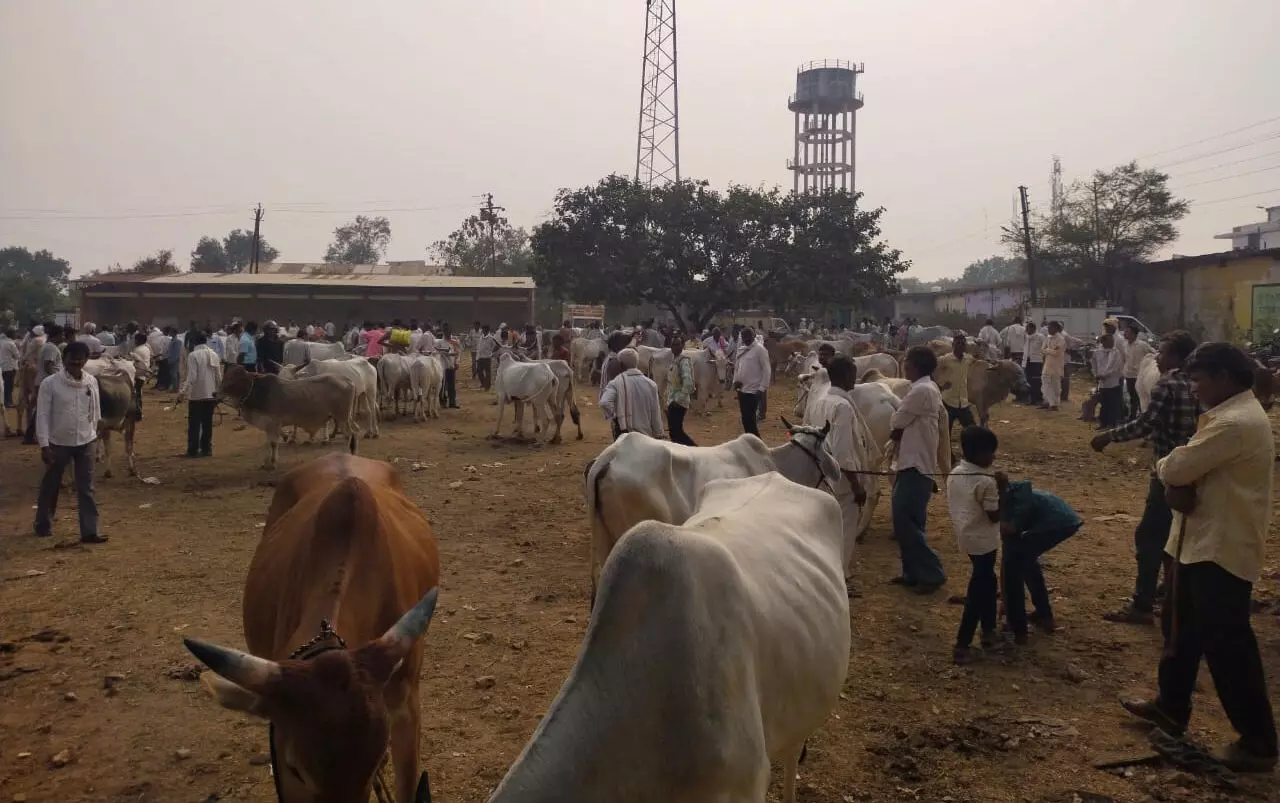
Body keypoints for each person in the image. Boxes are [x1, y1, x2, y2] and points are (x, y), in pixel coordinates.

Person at [1122, 342, 1278, 772]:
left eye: (1198, 380)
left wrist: (1170, 474)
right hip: (1196, 542)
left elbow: (1174, 468)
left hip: (1220, 549)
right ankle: (1170, 708)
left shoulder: (1233, 423)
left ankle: (1258, 741)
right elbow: (1183, 469)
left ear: (1223, 377)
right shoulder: (1229, 416)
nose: (1193, 389)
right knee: (1179, 630)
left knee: (1228, 647)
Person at [1093, 330, 1199, 625]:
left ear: (1177, 357)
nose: (1158, 357)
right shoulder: (1199, 385)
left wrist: (1107, 437)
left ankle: (1142, 604)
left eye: (1163, 352)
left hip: (1167, 472)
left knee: (1150, 535)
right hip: (1196, 472)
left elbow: (1145, 423)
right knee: (1176, 535)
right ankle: (1171, 592)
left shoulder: (1168, 385)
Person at [33, 341, 106, 544]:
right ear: (64, 359)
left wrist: (97, 441)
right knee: (51, 485)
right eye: (72, 358)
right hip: (58, 442)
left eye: (80, 358)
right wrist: (44, 445)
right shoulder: (50, 384)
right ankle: (43, 523)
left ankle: (90, 531)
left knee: (86, 487)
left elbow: (96, 412)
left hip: (86, 440)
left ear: (85, 360)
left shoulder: (91, 381)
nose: (76, 362)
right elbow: (43, 415)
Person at [889, 346, 948, 592]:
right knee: (911, 520)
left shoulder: (921, 391)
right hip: (914, 461)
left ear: (915, 366)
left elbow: (897, 421)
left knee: (905, 521)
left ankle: (931, 573)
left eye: (907, 363)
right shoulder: (927, 388)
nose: (904, 366)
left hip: (915, 463)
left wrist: (897, 427)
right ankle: (912, 572)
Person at [996, 473, 1081, 643]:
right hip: (1059, 520)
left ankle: (1018, 627)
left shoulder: (1016, 503)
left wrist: (1007, 598)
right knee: (1026, 564)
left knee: (1015, 565)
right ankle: (1043, 615)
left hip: (1058, 523)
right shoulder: (1013, 495)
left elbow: (1009, 531)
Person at [806, 355, 869, 579]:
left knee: (826, 528)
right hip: (842, 479)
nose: (856, 377)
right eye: (853, 373)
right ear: (845, 376)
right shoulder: (843, 406)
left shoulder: (819, 401)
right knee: (845, 528)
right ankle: (840, 576)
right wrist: (856, 485)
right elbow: (843, 452)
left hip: (822, 475)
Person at [948, 426, 1003, 664]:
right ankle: (962, 644)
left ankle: (989, 630)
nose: (993, 457)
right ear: (981, 453)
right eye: (991, 453)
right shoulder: (986, 481)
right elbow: (994, 515)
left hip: (967, 537)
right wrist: (1004, 489)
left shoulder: (956, 473)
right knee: (979, 590)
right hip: (984, 541)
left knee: (989, 582)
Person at [599, 348, 664, 440]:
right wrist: (658, 433)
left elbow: (604, 402)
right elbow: (655, 411)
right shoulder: (651, 384)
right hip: (646, 436)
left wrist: (617, 417)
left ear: (621, 365)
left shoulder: (616, 383)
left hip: (625, 434)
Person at [179, 330, 222, 458]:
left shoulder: (193, 355)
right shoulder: (214, 354)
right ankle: (206, 449)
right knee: (207, 423)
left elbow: (192, 377)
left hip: (196, 395)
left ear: (193, 342)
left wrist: (182, 391)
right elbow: (218, 377)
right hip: (211, 395)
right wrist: (219, 392)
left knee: (194, 424)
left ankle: (192, 450)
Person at [24, 323, 65, 444]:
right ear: (56, 335)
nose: (63, 336)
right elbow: (49, 366)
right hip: (48, 382)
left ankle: (31, 435)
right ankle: (31, 435)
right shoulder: (51, 348)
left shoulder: (49, 346)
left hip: (44, 381)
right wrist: (58, 380)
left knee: (41, 410)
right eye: (62, 334)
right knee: (42, 411)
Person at [732, 327, 770, 436]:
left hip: (754, 391)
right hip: (742, 390)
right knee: (745, 419)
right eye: (745, 338)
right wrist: (736, 381)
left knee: (750, 419)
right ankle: (750, 442)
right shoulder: (741, 349)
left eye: (749, 337)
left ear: (753, 336)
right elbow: (737, 367)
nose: (747, 340)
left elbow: (767, 370)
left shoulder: (760, 350)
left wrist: (762, 389)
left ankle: (757, 444)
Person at [934, 333, 976, 432]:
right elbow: (933, 369)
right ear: (953, 345)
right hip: (948, 401)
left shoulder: (968, 359)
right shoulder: (946, 359)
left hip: (963, 402)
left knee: (972, 430)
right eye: (958, 343)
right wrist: (940, 384)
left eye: (963, 344)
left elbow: (977, 365)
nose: (961, 346)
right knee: (945, 432)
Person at [666, 340, 697, 446]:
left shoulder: (683, 361)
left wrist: (678, 400)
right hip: (672, 400)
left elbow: (688, 383)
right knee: (673, 432)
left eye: (677, 344)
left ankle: (694, 449)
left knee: (676, 431)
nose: (674, 347)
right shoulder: (674, 360)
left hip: (679, 401)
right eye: (673, 345)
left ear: (682, 346)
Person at [1090, 332, 1124, 428]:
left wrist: (1105, 375)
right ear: (1103, 342)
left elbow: (1116, 367)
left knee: (1112, 403)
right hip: (1102, 383)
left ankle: (1111, 423)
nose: (1113, 343)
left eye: (1113, 341)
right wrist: (1096, 374)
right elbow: (1094, 364)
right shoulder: (1097, 352)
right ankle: (1102, 422)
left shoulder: (1116, 353)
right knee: (1103, 403)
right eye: (1110, 341)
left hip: (1113, 382)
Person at [1121, 324, 1154, 419]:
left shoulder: (1142, 345)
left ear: (1134, 334)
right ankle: (1133, 416)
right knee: (1132, 396)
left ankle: (1142, 416)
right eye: (1125, 332)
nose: (1125, 334)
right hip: (1129, 374)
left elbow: (1153, 353)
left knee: (1141, 396)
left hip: (1140, 375)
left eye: (1127, 332)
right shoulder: (1124, 345)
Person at [1039, 321, 1066, 411]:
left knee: (1055, 386)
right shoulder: (1048, 338)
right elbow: (1042, 349)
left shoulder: (1061, 339)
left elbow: (1056, 353)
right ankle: (1047, 402)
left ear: (1056, 328)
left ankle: (1054, 404)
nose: (1049, 330)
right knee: (1045, 383)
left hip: (1056, 366)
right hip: (1047, 364)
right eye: (1048, 328)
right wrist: (1048, 350)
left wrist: (1047, 350)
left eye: (1051, 328)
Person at [129, 331, 151, 420]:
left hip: (138, 374)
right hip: (143, 374)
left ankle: (138, 414)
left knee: (136, 394)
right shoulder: (146, 348)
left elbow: (133, 362)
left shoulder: (137, 350)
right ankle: (138, 413)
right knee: (138, 394)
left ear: (138, 340)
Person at [438, 324, 460, 409]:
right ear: (443, 331)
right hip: (442, 367)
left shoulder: (455, 341)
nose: (447, 332)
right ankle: (443, 402)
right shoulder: (439, 342)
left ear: (450, 330)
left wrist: (457, 362)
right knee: (442, 386)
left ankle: (452, 403)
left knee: (451, 386)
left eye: (448, 330)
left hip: (451, 366)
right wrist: (446, 353)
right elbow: (437, 352)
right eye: (445, 330)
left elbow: (458, 353)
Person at [1022, 321, 1045, 405]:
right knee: (1028, 380)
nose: (1026, 330)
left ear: (1033, 328)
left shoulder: (1040, 337)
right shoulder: (1027, 337)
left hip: (1037, 361)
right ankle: (1031, 398)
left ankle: (1037, 398)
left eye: (1027, 328)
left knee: (1036, 381)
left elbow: (1045, 348)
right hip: (1027, 361)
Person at [475, 324, 499, 391]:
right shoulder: (480, 337)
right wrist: (477, 357)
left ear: (488, 330)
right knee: (479, 371)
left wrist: (492, 352)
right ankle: (483, 383)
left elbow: (496, 346)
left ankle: (487, 387)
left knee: (488, 373)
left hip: (487, 357)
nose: (483, 331)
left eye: (485, 330)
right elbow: (478, 348)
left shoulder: (492, 338)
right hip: (480, 357)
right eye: (483, 330)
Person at [0, 327, 19, 410]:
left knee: (3, 385)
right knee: (9, 386)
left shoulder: (2, 341)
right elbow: (17, 356)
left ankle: (4, 401)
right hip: (9, 367)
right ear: (11, 334)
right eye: (15, 333)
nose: (16, 334)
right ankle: (8, 402)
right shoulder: (11, 343)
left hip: (2, 366)